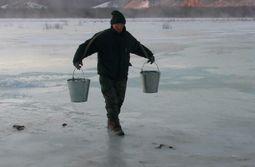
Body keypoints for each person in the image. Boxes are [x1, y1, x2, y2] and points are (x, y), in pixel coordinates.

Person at [73, 10, 155, 136]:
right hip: (106, 74)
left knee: (119, 100)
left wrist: (149, 55)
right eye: (116, 24)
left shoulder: (127, 37)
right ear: (112, 24)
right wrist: (78, 59)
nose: (119, 26)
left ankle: (111, 120)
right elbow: (85, 46)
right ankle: (115, 124)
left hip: (122, 74)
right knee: (111, 100)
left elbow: (138, 47)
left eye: (121, 24)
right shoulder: (103, 36)